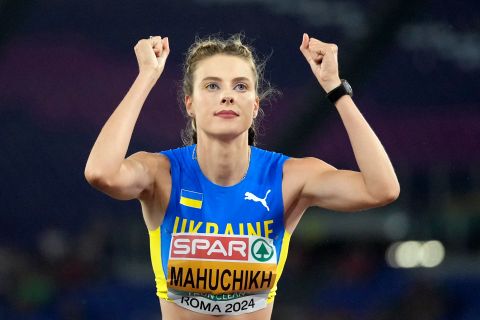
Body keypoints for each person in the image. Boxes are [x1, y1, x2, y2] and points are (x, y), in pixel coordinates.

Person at [84, 33, 400, 320]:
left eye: (240, 86)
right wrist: (146, 78)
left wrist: (335, 88)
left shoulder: (288, 177)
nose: (227, 96)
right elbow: (101, 172)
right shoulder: (163, 173)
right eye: (212, 85)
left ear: (255, 105)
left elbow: (381, 189)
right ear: (189, 104)